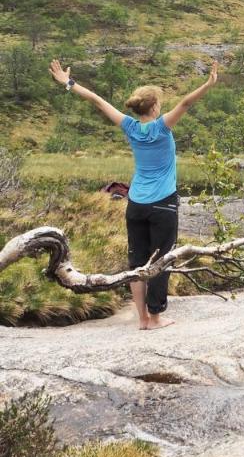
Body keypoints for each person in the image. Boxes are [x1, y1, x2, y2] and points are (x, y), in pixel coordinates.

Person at [48, 58, 219, 330]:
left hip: (136, 203)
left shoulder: (129, 126)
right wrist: (208, 84)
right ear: (154, 107)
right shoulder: (162, 127)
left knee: (137, 262)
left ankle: (141, 319)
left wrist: (68, 83)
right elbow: (186, 103)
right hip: (162, 204)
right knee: (161, 259)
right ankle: (155, 317)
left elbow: (97, 101)